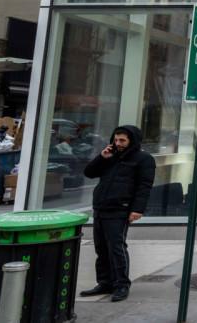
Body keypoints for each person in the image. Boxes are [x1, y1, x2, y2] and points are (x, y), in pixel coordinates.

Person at [79, 125, 155, 302]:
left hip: (120, 208)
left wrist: (137, 209)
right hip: (101, 207)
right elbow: (89, 173)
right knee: (101, 248)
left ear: (131, 141)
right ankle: (105, 282)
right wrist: (101, 157)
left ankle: (121, 284)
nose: (118, 143)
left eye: (122, 140)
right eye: (116, 140)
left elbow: (144, 186)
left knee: (116, 247)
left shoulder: (144, 159)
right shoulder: (110, 156)